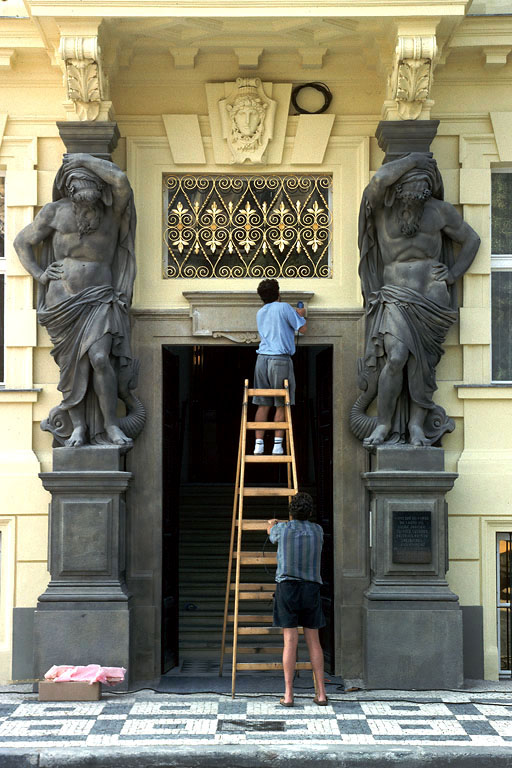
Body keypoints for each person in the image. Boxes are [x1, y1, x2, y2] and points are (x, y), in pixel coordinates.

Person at [354, 151, 480, 447]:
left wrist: (453, 274)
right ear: (397, 188)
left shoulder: (438, 211)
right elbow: (378, 179)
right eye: (411, 187)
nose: (417, 195)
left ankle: (416, 427)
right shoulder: (382, 209)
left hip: (432, 298)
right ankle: (384, 424)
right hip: (396, 297)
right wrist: (415, 159)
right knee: (396, 357)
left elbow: (471, 239)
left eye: (423, 188)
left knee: (422, 366)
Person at [14, 152, 138, 447]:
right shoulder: (55, 213)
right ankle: (79, 428)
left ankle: (110, 425)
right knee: (75, 368)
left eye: (92, 196)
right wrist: (40, 275)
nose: (87, 206)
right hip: (63, 302)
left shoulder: (112, 212)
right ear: (69, 192)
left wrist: (81, 160)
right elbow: (21, 242)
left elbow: (120, 180)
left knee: (99, 358)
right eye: (81, 198)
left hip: (99, 298)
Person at [267, 491, 328, 707]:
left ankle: (289, 694)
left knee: (290, 641)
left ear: (291, 513)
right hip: (311, 588)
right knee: (314, 641)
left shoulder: (282, 529)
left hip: (288, 588)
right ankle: (321, 693)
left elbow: (271, 533)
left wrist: (272, 523)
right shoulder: (318, 530)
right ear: (310, 512)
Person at [252, 279, 306, 455]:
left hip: (261, 360)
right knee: (281, 403)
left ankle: (258, 445)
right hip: (279, 360)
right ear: (278, 293)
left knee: (262, 403)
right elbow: (303, 328)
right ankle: (277, 445)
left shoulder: (260, 312)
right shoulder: (284, 308)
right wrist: (301, 314)